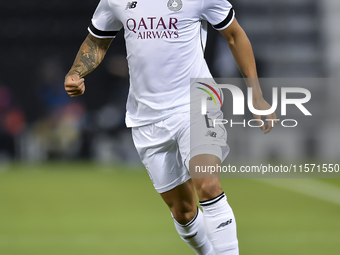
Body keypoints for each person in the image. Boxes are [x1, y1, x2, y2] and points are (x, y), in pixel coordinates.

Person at [64, 0, 277, 254]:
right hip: (147, 118)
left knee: (208, 185)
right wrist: (76, 72)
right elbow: (97, 40)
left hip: (197, 103)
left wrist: (255, 93)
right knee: (183, 213)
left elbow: (234, 34)